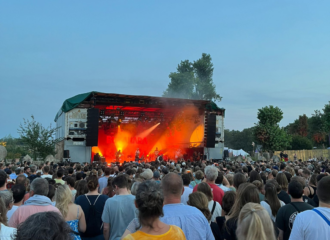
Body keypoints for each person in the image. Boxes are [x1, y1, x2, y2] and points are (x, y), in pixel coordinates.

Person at [102, 175, 136, 240]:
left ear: (116, 187)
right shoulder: (136, 200)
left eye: (114, 189)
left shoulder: (109, 202)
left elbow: (106, 228)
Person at [76, 175, 109, 240]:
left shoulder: (79, 199)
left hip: (83, 235)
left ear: (87, 185)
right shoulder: (105, 199)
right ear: (98, 185)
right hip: (100, 235)